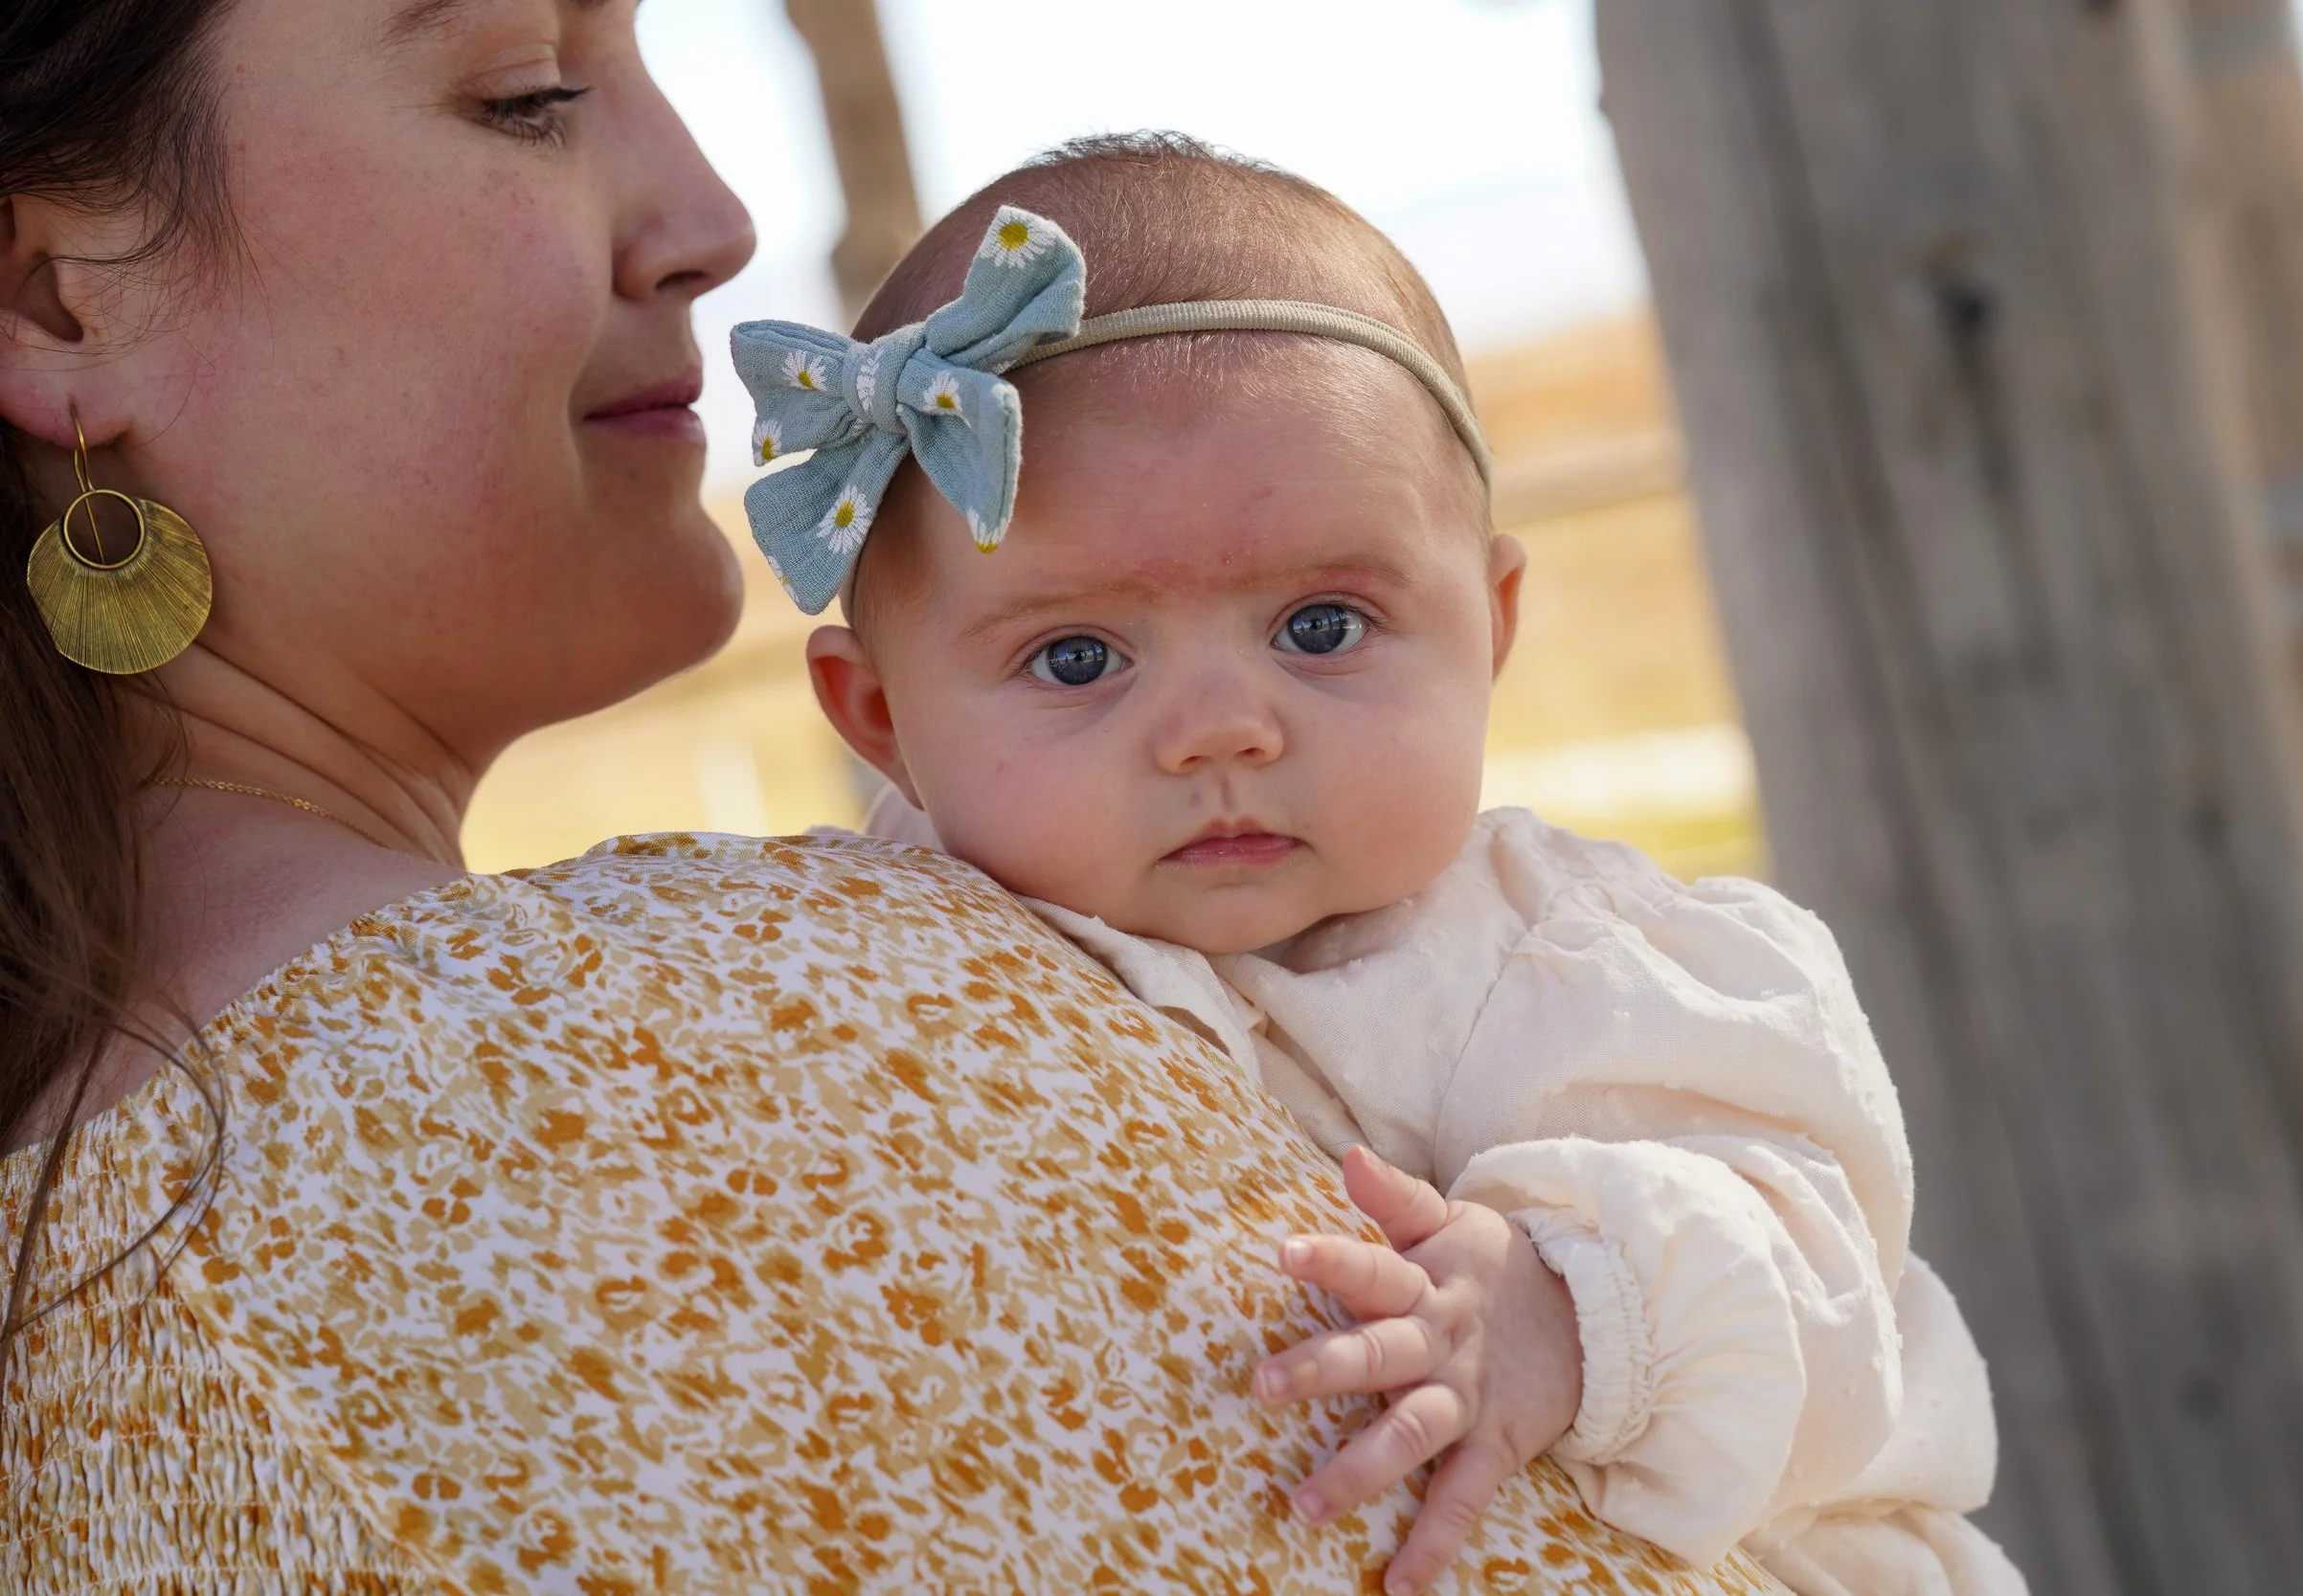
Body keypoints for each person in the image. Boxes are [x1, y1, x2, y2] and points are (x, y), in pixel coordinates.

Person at [0, 5, 1778, 1591]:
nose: (717, 219)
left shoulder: (64, 1304)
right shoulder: (643, 1051)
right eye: (526, 90)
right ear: (54, 297)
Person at [741, 137, 2026, 1596]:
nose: (1221, 728)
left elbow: (1813, 1262)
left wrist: (1560, 1309)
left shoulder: (1560, 959)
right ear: (883, 721)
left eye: (1323, 627)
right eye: (1078, 657)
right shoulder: (889, 941)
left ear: (1491, 624)